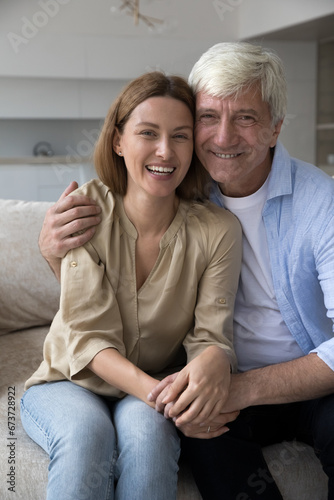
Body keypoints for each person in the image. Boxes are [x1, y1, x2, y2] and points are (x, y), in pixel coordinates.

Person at [38, 42, 334, 499]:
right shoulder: (133, 200)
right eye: (209, 118)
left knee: (160, 432)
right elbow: (94, 319)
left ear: (275, 129)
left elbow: (212, 333)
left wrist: (228, 377)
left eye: (247, 118)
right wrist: (54, 253)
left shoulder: (309, 206)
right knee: (154, 434)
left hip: (302, 380)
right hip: (153, 380)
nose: (222, 137)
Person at [20, 71, 242, 500]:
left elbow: (211, 336)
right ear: (118, 141)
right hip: (69, 382)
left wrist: (213, 363)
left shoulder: (219, 230)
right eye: (148, 133)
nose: (165, 150)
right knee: (87, 436)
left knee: (150, 440)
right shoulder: (85, 211)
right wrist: (166, 401)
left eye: (180, 136)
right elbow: (88, 338)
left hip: (156, 381)